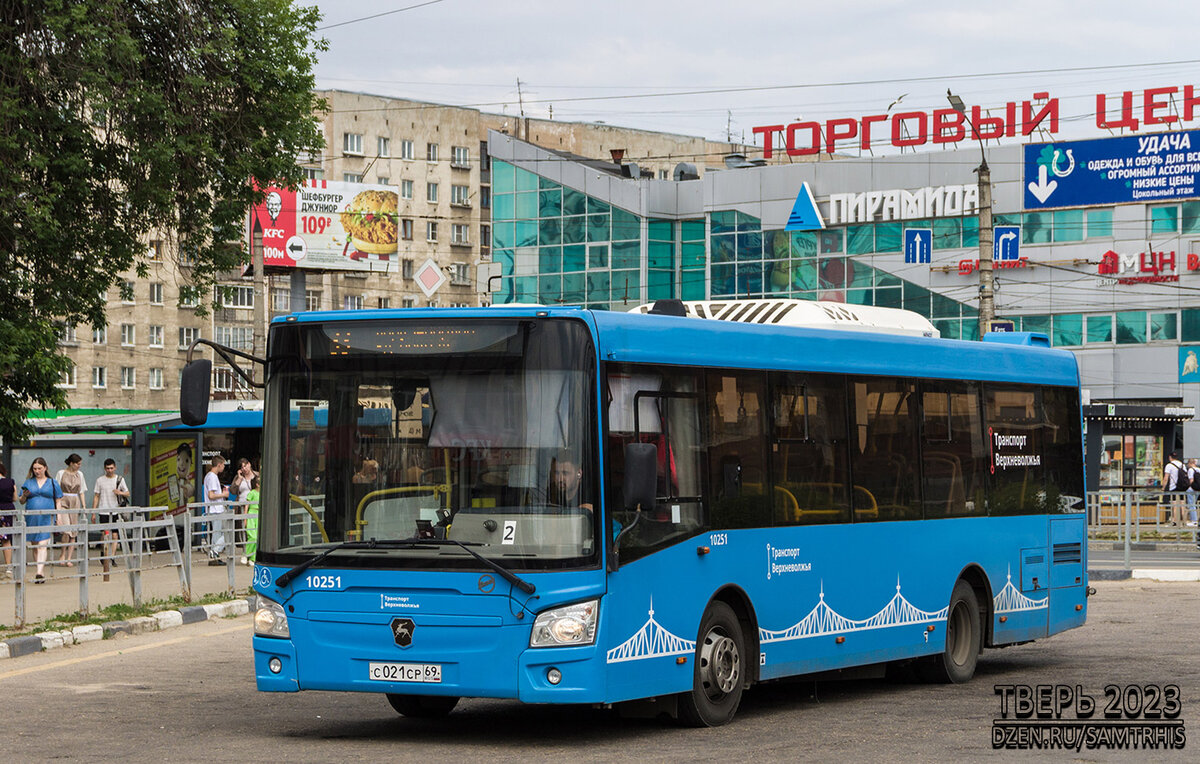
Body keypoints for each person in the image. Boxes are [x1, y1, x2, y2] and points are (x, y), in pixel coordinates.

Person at [20, 457, 62, 583]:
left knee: (42, 544)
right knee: (34, 544)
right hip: (32, 516)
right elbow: (21, 501)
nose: (37, 471)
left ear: (45, 468)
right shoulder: (28, 482)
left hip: (47, 516)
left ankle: (39, 572)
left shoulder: (53, 482)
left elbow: (58, 500)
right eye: (35, 469)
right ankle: (40, 569)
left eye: (39, 468)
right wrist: (25, 496)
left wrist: (58, 517)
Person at [92, 458, 130, 578]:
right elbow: (96, 496)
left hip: (115, 510)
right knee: (105, 533)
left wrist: (120, 493)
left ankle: (111, 557)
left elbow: (127, 493)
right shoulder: (100, 480)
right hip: (103, 510)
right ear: (104, 468)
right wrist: (93, 511)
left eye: (111, 468)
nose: (109, 470)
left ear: (115, 468)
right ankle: (104, 552)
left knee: (115, 535)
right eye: (107, 468)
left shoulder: (119, 479)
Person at [54, 453, 87, 567]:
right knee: (66, 529)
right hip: (63, 500)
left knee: (73, 531)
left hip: (75, 500)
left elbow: (81, 491)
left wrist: (84, 506)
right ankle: (62, 554)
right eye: (78, 464)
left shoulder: (80, 475)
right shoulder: (61, 473)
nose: (79, 466)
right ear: (72, 463)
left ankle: (69, 558)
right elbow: (56, 488)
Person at [203, 455, 229, 566]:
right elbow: (211, 495)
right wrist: (224, 494)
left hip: (213, 509)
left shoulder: (208, 476)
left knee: (217, 534)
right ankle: (215, 551)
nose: (224, 467)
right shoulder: (213, 477)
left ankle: (214, 555)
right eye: (223, 465)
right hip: (216, 509)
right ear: (219, 465)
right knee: (227, 532)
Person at [0, 462, 16, 579]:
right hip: (8, 510)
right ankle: (9, 566)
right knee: (6, 540)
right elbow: (15, 498)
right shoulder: (10, 482)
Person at [241, 476, 260, 566]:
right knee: (252, 536)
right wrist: (245, 517)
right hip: (252, 515)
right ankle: (246, 555)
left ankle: (252, 558)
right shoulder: (252, 493)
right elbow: (247, 506)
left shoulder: (262, 493)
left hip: (259, 515)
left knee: (257, 538)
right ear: (257, 484)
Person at [1164, 452, 1185, 525]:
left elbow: (1166, 478)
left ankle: (1174, 521)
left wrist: (1163, 487)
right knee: (1182, 504)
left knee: (1174, 505)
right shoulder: (1182, 464)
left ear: (1170, 457)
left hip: (1173, 487)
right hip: (1182, 487)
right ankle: (1184, 521)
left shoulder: (1169, 465)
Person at [1186, 458, 1198, 527]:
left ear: (1190, 463)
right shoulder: (1198, 469)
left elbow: (1191, 480)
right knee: (1194, 504)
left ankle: (1194, 521)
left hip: (1192, 489)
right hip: (1198, 489)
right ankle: (1195, 520)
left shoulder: (1191, 470)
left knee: (1191, 504)